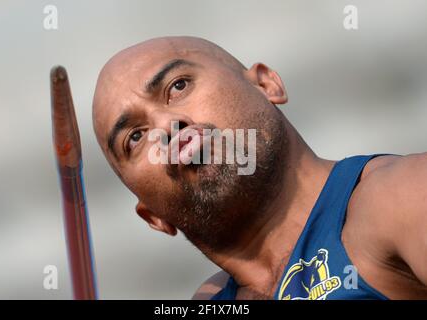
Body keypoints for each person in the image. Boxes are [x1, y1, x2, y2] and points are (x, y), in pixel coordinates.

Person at [92, 36, 427, 300]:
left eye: (179, 86)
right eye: (135, 137)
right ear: (153, 216)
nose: (167, 126)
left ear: (267, 85)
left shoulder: (401, 196)